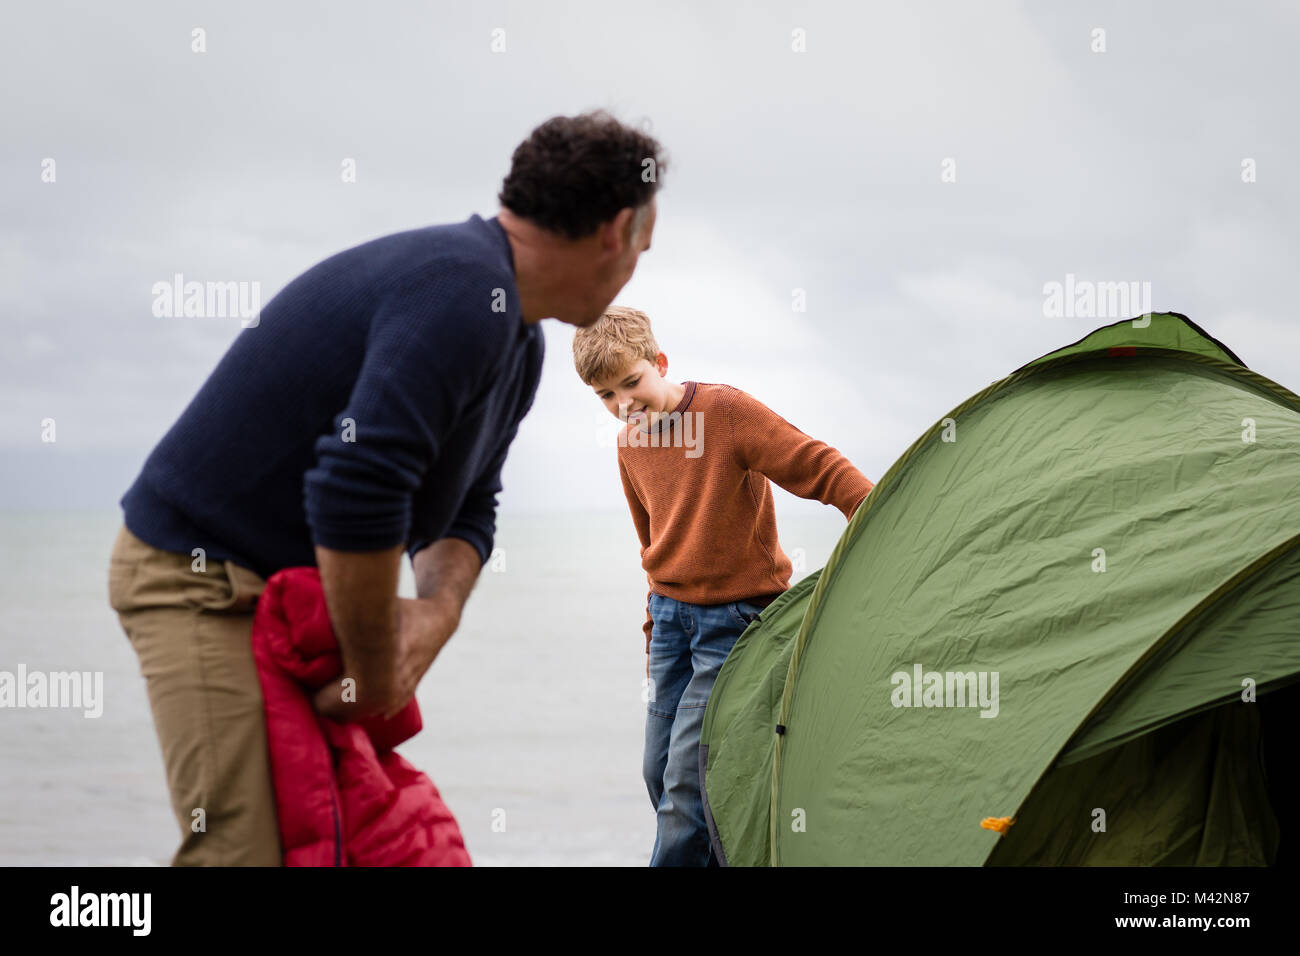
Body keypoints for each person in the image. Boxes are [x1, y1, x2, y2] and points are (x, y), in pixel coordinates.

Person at [108, 111, 666, 865]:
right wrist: (377, 675)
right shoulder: (462, 291)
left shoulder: (517, 335)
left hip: (300, 599)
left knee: (345, 838)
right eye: (646, 241)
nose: (644, 259)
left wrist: (434, 616)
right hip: (200, 579)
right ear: (618, 229)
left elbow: (470, 505)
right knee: (244, 850)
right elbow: (355, 491)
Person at [572, 305, 874, 866]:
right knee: (659, 773)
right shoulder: (628, 445)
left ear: (658, 362)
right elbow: (653, 550)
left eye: (632, 383)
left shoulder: (724, 411)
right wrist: (652, 634)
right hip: (670, 624)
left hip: (734, 623)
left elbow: (820, 466)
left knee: (686, 791)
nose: (624, 404)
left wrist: (884, 522)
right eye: (606, 396)